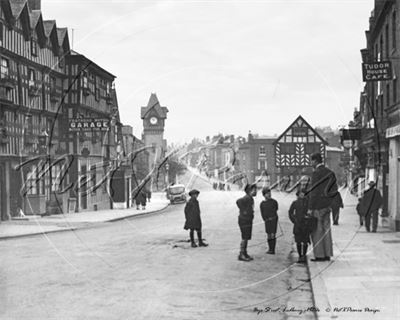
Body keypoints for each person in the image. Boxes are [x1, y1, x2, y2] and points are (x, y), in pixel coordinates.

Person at [307, 152, 338, 262]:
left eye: (311, 161)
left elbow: (314, 192)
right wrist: (330, 202)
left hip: (318, 207)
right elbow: (335, 190)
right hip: (327, 206)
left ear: (315, 161)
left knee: (317, 231)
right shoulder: (330, 173)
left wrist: (310, 207)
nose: (311, 163)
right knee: (327, 230)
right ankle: (327, 254)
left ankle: (319, 255)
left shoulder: (316, 173)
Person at [289, 189, 311, 263]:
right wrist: (294, 220)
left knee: (305, 241)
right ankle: (300, 256)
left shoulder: (308, 203)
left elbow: (311, 211)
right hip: (298, 224)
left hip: (305, 224)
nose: (302, 195)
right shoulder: (295, 203)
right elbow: (290, 212)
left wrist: (308, 217)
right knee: (298, 241)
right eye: (300, 194)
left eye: (303, 194)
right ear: (298, 195)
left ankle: (304, 256)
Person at [236, 183, 257, 261]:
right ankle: (241, 254)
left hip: (247, 220)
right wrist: (244, 211)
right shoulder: (247, 198)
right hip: (244, 220)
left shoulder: (250, 198)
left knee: (246, 237)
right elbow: (238, 201)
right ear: (249, 191)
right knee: (244, 237)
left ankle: (244, 252)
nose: (256, 191)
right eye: (254, 190)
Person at [260, 187, 279, 254]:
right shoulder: (262, 204)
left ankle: (273, 249)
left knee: (273, 233)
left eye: (269, 193)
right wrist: (265, 219)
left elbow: (276, 209)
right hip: (267, 220)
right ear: (264, 195)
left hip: (274, 219)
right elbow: (262, 213)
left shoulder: (274, 202)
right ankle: (270, 249)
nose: (269, 194)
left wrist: (272, 217)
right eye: (267, 193)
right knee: (268, 234)